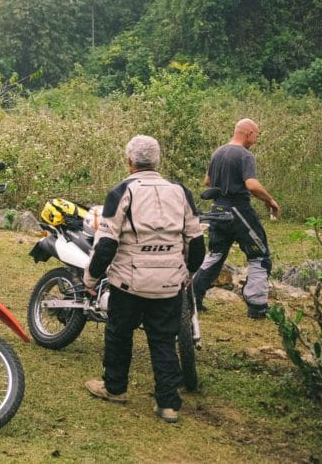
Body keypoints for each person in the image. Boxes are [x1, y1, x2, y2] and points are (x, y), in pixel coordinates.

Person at [83, 135, 205, 424]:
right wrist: (186, 274)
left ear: (129, 161)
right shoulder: (180, 192)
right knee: (163, 339)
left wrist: (90, 278)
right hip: (168, 285)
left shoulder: (122, 191)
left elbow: (106, 245)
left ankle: (114, 388)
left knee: (119, 333)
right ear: (157, 160)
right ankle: (168, 404)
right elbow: (197, 243)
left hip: (129, 282)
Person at [192, 118, 280, 319]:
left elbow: (208, 181)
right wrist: (270, 200)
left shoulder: (218, 152)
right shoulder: (245, 155)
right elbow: (252, 185)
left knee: (215, 255)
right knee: (260, 256)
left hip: (217, 209)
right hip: (238, 210)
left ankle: (193, 299)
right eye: (256, 136)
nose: (255, 140)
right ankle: (257, 307)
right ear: (249, 133)